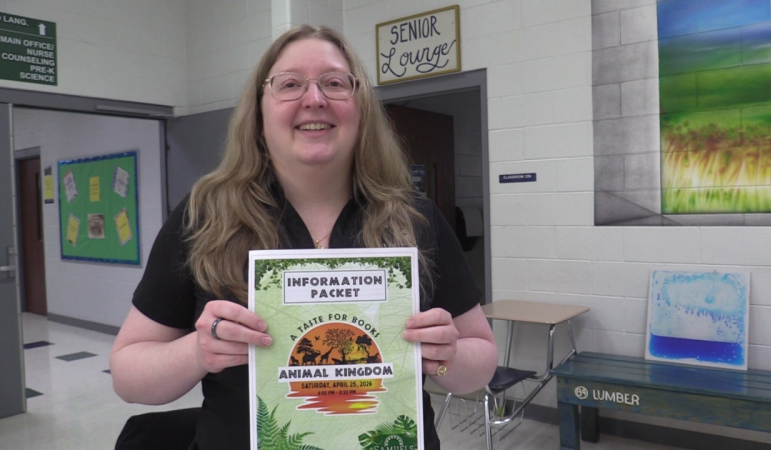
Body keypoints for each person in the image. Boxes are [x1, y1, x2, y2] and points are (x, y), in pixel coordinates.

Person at [110, 25, 497, 450]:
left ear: (362, 110)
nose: (314, 98)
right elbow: (128, 376)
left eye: (335, 83)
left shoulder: (415, 218)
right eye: (290, 84)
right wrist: (197, 352)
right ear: (259, 114)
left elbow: (482, 359)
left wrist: (448, 358)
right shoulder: (205, 217)